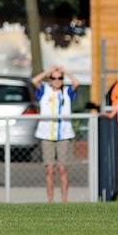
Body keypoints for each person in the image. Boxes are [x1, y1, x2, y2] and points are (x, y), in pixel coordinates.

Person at [31, 65, 80, 203]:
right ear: (50, 79)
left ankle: (64, 200)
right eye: (54, 78)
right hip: (46, 135)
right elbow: (34, 81)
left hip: (64, 134)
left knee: (63, 169)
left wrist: (66, 71)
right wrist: (48, 71)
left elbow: (77, 83)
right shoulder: (44, 90)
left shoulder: (67, 92)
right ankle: (50, 200)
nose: (57, 81)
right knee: (50, 169)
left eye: (59, 78)